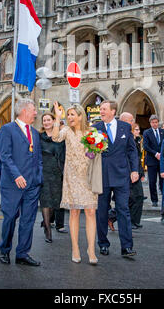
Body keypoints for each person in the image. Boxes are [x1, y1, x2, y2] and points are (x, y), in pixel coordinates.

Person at [52, 101, 98, 265]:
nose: (69, 117)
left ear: (80, 116)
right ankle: (75, 248)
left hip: (88, 176)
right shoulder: (66, 131)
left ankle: (91, 250)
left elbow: (96, 153)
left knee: (91, 212)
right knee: (74, 212)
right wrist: (57, 118)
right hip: (72, 176)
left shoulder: (91, 132)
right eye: (68, 114)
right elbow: (55, 137)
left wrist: (94, 151)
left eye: (72, 114)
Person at [0, 99, 43, 266]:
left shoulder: (35, 132)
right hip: (12, 184)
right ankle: (5, 250)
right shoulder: (7, 130)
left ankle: (22, 253)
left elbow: (38, 158)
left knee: (28, 220)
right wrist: (17, 175)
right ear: (24, 111)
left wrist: (38, 177)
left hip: (32, 185)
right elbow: (5, 156)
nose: (35, 113)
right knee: (10, 218)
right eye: (33, 110)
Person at [94, 100, 139, 258]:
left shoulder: (125, 127)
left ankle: (126, 247)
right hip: (103, 176)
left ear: (113, 111)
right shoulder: (96, 128)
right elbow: (90, 154)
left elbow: (132, 151)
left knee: (123, 210)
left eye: (104, 109)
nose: (102, 111)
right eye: (101, 109)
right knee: (102, 212)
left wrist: (135, 170)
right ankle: (103, 244)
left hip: (122, 175)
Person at [39, 112, 66, 243]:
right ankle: (48, 229)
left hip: (57, 172)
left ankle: (47, 221)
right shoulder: (39, 137)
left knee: (55, 202)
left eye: (49, 120)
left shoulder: (61, 137)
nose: (46, 122)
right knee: (45, 201)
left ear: (54, 121)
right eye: (44, 120)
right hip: (44, 170)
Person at [143, 115, 164, 207]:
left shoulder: (163, 132)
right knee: (152, 181)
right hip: (151, 160)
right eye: (153, 122)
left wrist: (162, 154)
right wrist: (156, 154)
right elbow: (146, 146)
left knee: (162, 180)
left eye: (156, 122)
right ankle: (154, 200)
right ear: (150, 123)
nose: (155, 124)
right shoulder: (146, 132)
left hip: (162, 160)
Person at [130, 122, 145, 229]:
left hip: (138, 172)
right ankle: (131, 220)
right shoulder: (131, 142)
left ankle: (135, 220)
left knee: (139, 197)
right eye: (136, 130)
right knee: (134, 197)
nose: (138, 132)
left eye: (138, 130)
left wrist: (142, 172)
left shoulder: (136, 141)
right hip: (132, 173)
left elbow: (138, 160)